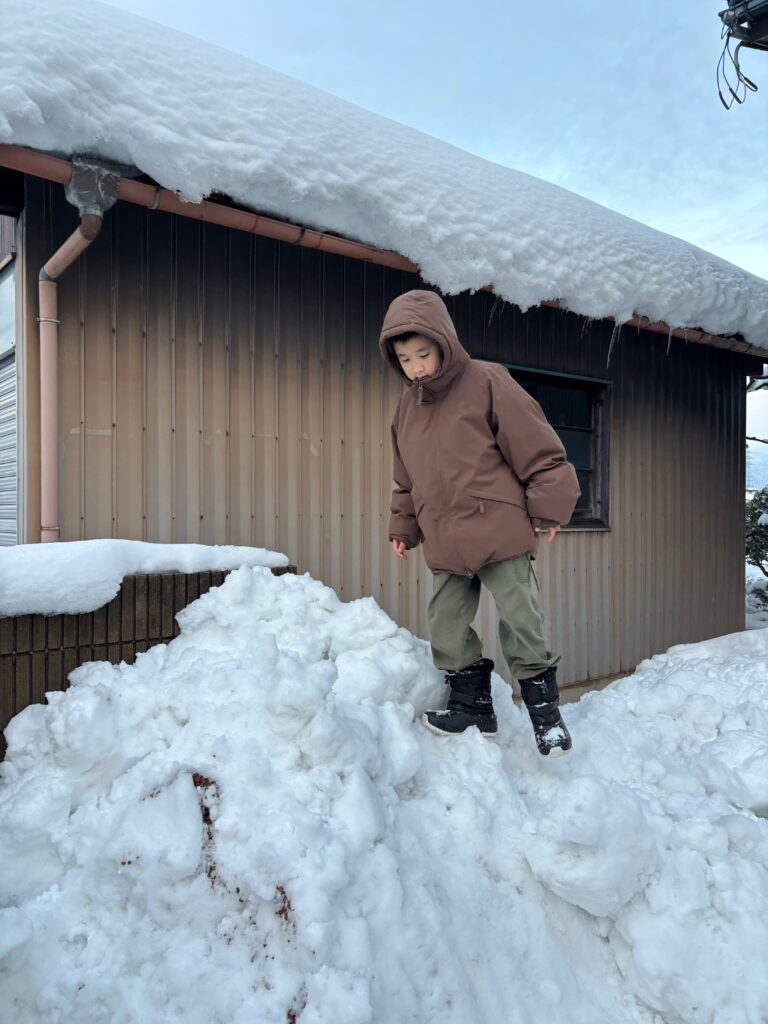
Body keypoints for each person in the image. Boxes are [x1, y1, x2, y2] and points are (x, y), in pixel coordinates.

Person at [379, 289, 581, 756]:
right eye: (405, 359)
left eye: (423, 353)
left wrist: (549, 503)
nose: (416, 367)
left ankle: (546, 717)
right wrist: (403, 527)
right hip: (445, 536)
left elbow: (535, 445)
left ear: (444, 342)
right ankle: (472, 706)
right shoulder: (407, 409)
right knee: (446, 623)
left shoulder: (487, 380)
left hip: (498, 527)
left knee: (520, 619)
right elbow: (406, 478)